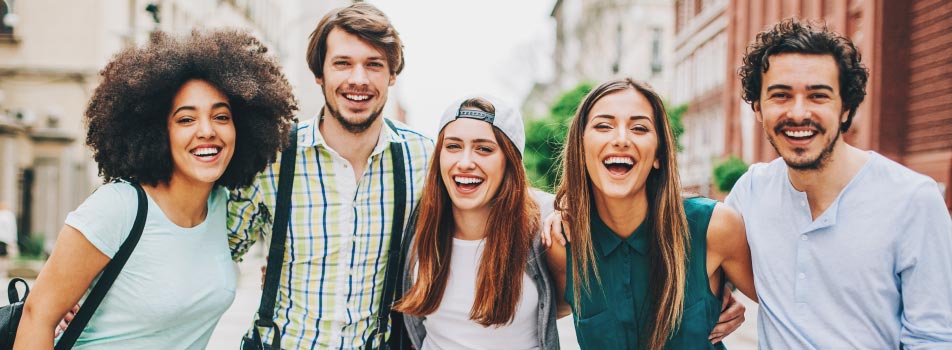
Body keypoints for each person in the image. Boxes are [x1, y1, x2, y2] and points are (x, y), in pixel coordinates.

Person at [14, 29, 296, 349]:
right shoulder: (119, 207)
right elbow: (37, 316)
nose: (207, 131)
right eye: (186, 119)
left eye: (221, 116)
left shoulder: (224, 208)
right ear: (158, 131)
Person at [727, 17, 952, 348]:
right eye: (781, 95)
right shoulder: (750, 192)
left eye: (818, 96)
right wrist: (714, 301)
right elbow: (703, 261)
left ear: (846, 108)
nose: (799, 113)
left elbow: (933, 338)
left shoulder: (913, 199)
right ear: (758, 108)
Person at [227, 3, 434, 349]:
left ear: (392, 75)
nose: (359, 79)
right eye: (342, 63)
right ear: (319, 73)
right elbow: (212, 249)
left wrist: (551, 214)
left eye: (374, 65)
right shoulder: (272, 158)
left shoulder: (423, 160)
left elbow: (482, 214)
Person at [544, 78, 757, 349]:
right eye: (603, 126)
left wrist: (713, 297)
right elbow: (539, 313)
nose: (621, 139)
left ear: (658, 154)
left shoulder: (715, 225)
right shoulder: (564, 242)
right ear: (581, 148)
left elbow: (789, 304)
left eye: (639, 128)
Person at [394, 96, 560, 349]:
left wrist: (569, 210)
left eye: (484, 149)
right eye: (453, 146)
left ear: (509, 162)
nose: (465, 162)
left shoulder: (544, 218)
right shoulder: (420, 222)